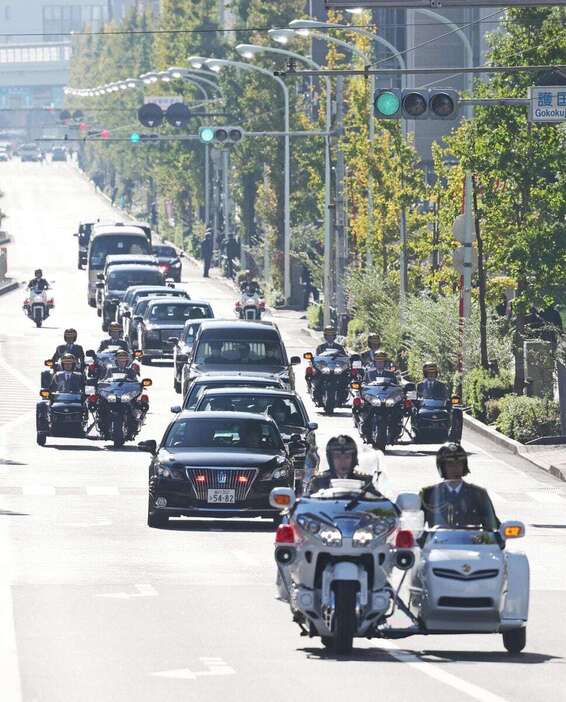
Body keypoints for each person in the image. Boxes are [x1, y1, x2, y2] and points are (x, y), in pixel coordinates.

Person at [420, 443, 500, 530]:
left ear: (464, 466)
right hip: (437, 542)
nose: (455, 468)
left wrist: (497, 536)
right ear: (442, 467)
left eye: (459, 464)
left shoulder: (479, 494)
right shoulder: (428, 494)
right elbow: (416, 529)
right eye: (450, 465)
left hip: (472, 543)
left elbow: (493, 528)